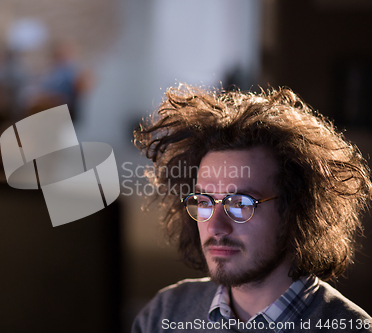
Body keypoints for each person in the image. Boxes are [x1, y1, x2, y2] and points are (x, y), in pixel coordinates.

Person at [132, 84, 372, 332]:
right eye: (204, 202)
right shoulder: (165, 314)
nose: (215, 227)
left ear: (297, 209)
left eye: (240, 204)